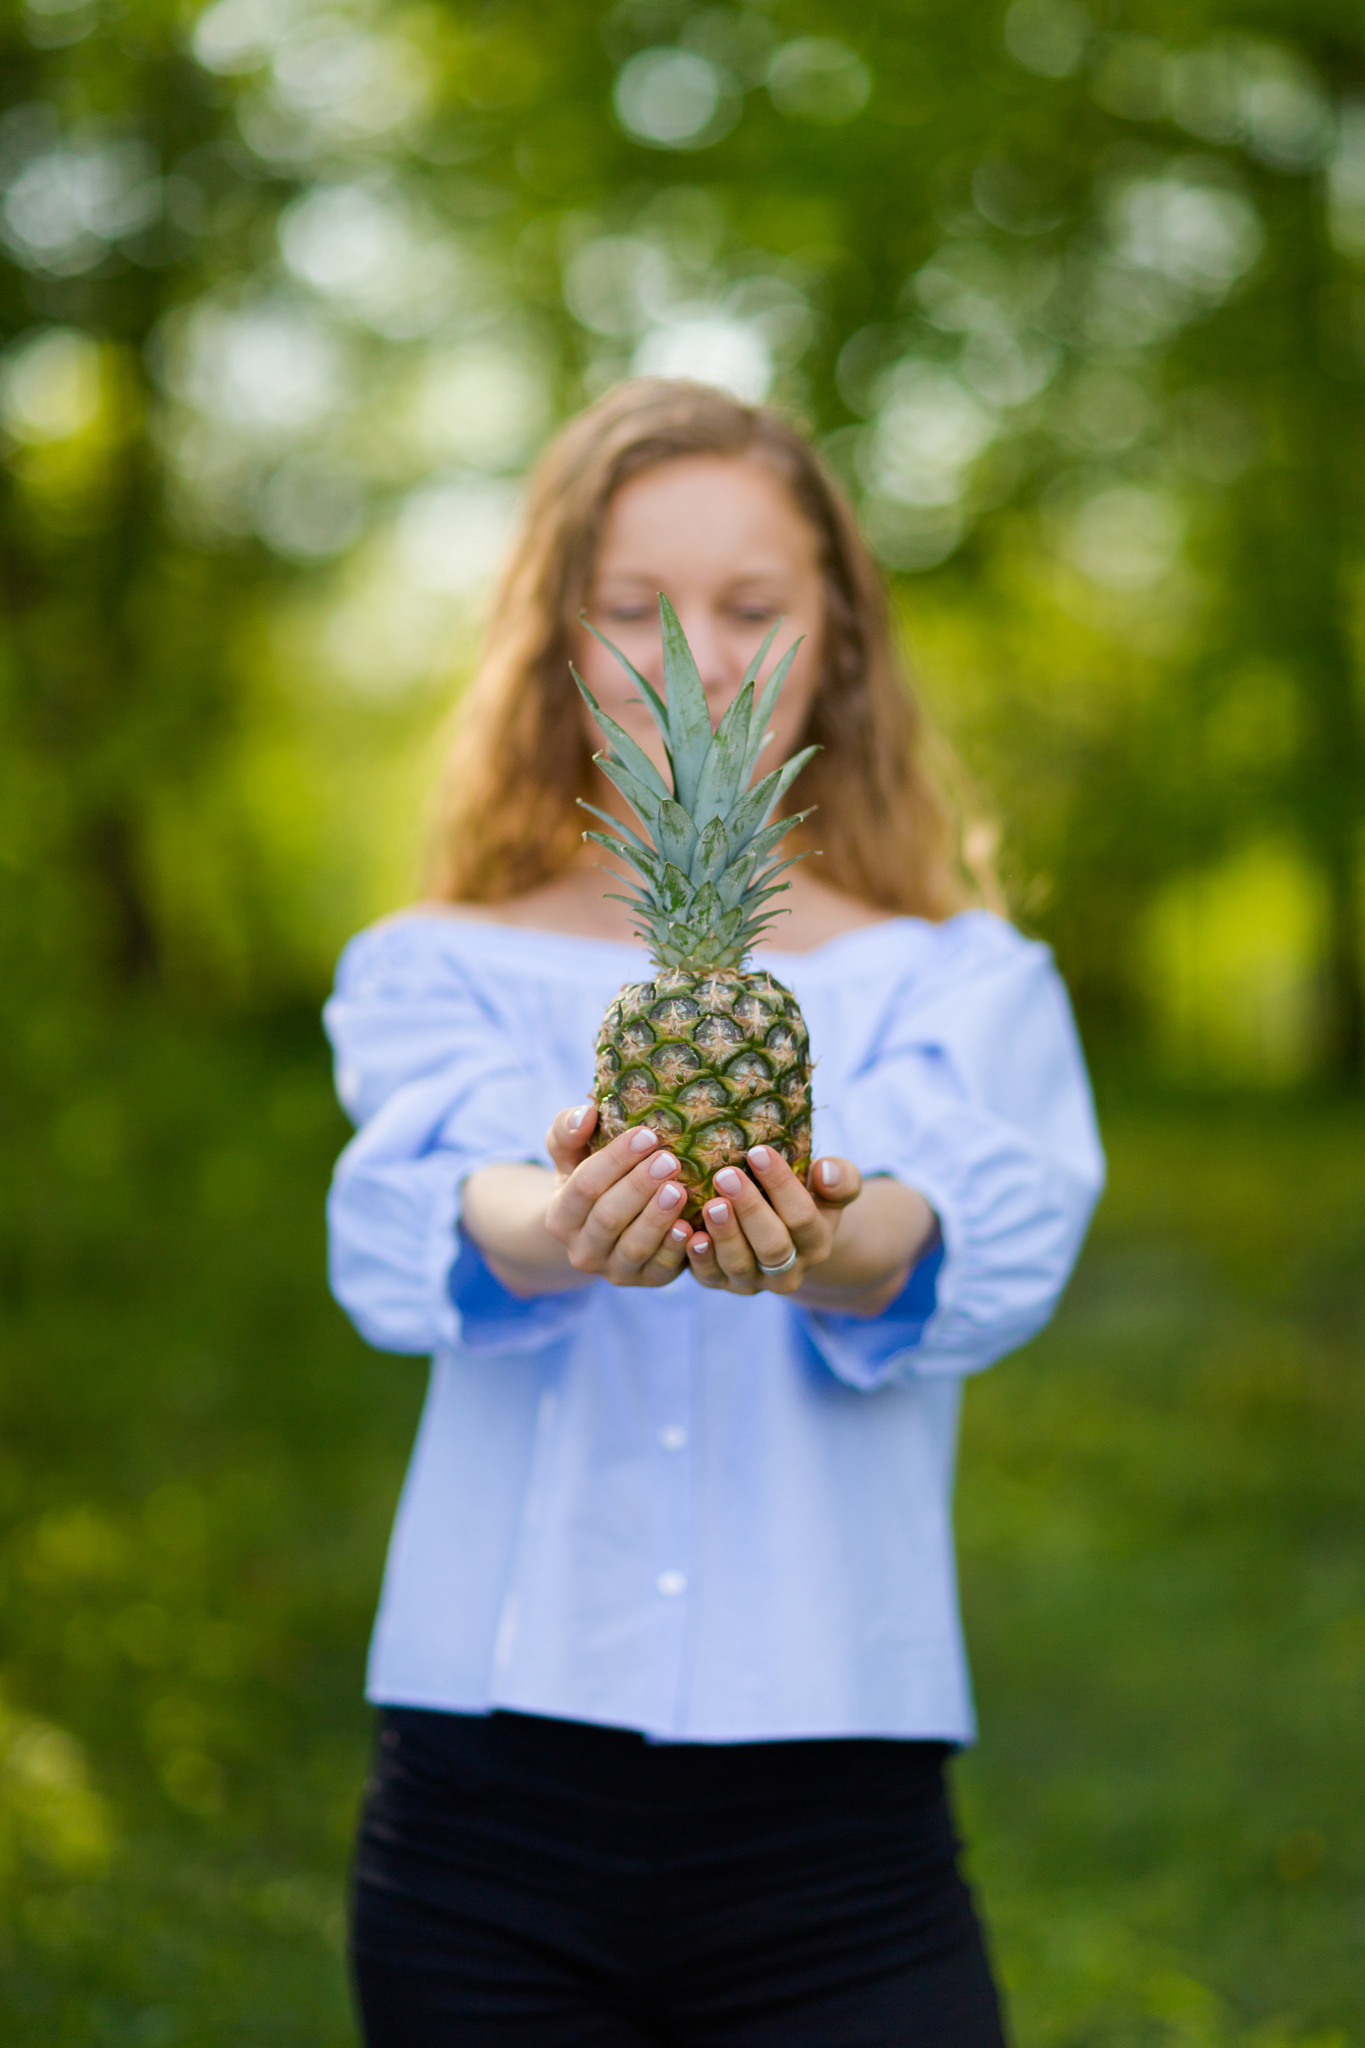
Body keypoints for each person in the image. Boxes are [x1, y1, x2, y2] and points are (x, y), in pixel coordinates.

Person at [324, 378, 1104, 2047]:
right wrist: (555, 1218)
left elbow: (971, 1218)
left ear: (840, 637)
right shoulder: (432, 959)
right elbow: (422, 1188)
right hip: (480, 1805)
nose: (701, 657)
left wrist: (828, 1237)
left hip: (841, 1815)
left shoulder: (960, 976)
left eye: (753, 605)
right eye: (633, 606)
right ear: (555, 635)